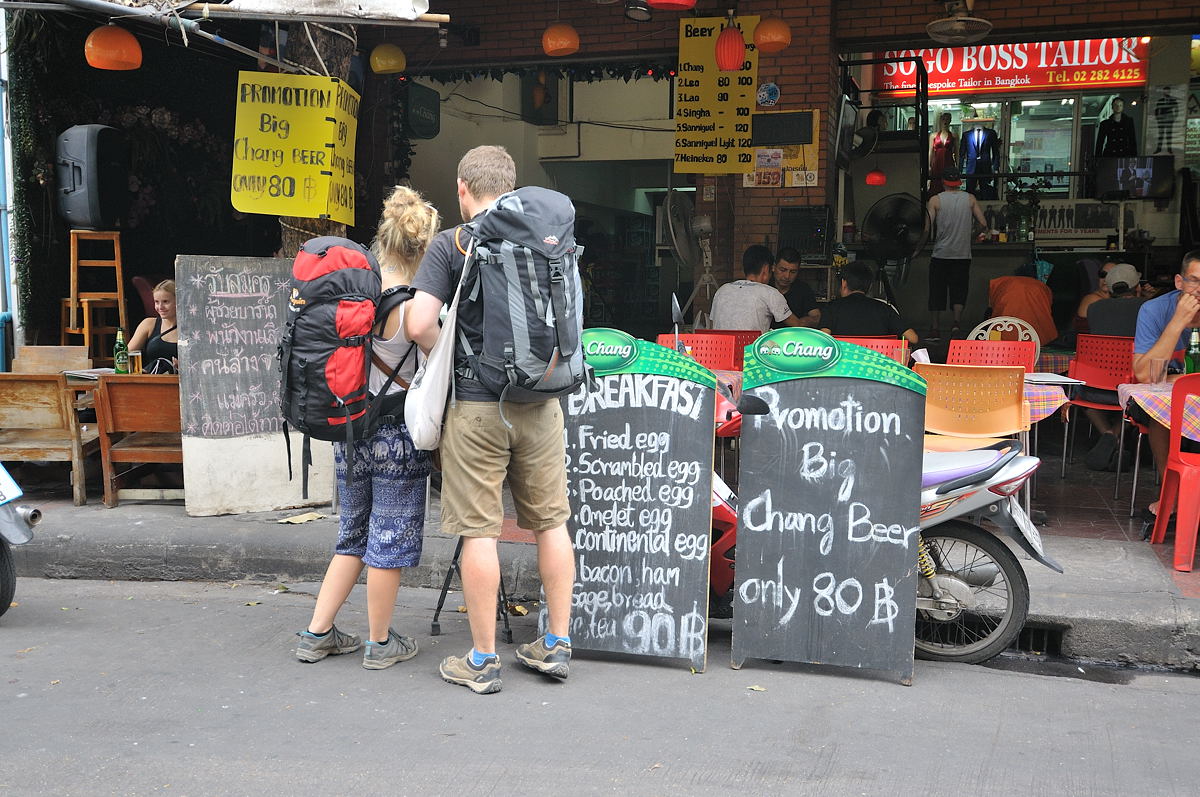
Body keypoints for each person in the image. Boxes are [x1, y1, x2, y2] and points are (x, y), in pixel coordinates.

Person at [406, 145, 575, 695]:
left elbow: (418, 324)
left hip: (478, 406)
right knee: (551, 523)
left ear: (462, 188)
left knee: (480, 530)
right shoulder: (548, 238)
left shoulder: (452, 243)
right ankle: (554, 645)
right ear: (512, 185)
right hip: (543, 400)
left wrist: (449, 353)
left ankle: (482, 659)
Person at [295, 186, 438, 670]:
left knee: (353, 533)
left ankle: (317, 633)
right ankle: (380, 643)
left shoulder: (355, 287)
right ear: (425, 247)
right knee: (389, 539)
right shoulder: (415, 303)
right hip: (397, 434)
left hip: (350, 426)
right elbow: (432, 358)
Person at [1132, 250, 1200, 523]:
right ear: (1179, 282)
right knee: (1160, 416)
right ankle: (1170, 493)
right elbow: (1145, 375)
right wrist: (1177, 323)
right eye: (1194, 280)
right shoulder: (1155, 310)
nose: (1199, 290)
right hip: (1166, 402)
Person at [1079, 264, 1149, 469]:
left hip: (1093, 389)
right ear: (1137, 286)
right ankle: (1114, 436)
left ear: (1109, 289)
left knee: (1086, 401)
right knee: (1134, 404)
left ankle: (1108, 437)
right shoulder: (1147, 307)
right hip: (1131, 388)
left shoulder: (1094, 308)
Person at [925, 167, 988, 340]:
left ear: (943, 182)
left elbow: (927, 227)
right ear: (959, 182)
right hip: (962, 254)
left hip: (940, 253)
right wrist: (971, 237)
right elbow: (983, 223)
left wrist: (921, 243)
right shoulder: (969, 199)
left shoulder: (935, 200)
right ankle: (956, 324)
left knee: (936, 291)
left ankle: (935, 329)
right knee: (959, 290)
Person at [819, 262, 918, 346]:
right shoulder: (884, 308)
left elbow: (823, 340)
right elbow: (913, 338)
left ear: (844, 283)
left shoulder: (832, 307)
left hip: (843, 365)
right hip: (877, 365)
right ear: (870, 286)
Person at [710, 245, 803, 333]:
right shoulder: (770, 293)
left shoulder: (722, 290)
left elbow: (712, 325)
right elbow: (797, 326)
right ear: (766, 269)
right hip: (751, 349)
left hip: (720, 348)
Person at [987, 263, 1057, 347]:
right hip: (1038, 338)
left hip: (1003, 337)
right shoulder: (1042, 287)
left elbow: (991, 308)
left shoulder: (1003, 283)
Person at [127, 279, 178, 374]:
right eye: (156, 302)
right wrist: (137, 371)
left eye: (166, 301)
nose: (160, 307)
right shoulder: (148, 324)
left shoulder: (190, 328)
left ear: (178, 301)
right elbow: (125, 356)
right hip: (150, 380)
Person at [770, 247, 819, 327]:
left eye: (793, 272)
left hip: (795, 337)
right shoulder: (765, 287)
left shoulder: (803, 289)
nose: (787, 276)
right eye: (782, 270)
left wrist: (803, 322)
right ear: (773, 267)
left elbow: (816, 316)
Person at [1074, 259, 1118, 333]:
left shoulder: (1115, 300)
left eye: (1111, 275)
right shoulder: (1092, 299)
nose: (1105, 279)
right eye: (1102, 274)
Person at [928, 112, 957, 194]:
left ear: (950, 121)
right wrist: (929, 166)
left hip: (949, 162)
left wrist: (957, 166)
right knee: (936, 183)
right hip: (937, 163)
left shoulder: (954, 136)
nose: (945, 121)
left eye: (947, 119)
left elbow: (956, 152)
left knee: (948, 182)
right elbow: (930, 151)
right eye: (943, 119)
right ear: (940, 120)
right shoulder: (933, 136)